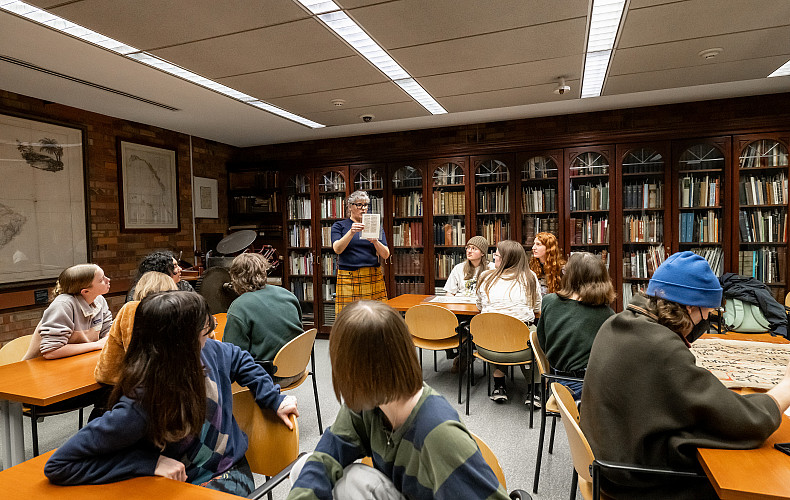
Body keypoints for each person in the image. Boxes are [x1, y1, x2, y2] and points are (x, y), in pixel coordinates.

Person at [45, 291, 299, 497]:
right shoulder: (143, 404)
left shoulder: (210, 351)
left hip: (228, 471)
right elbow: (59, 464)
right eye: (204, 332)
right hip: (177, 485)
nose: (211, 336)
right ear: (180, 345)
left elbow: (240, 358)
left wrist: (273, 398)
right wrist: (149, 464)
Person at [581, 251, 790, 499]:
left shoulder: (616, 324)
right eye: (708, 313)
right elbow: (745, 421)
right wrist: (785, 387)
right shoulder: (661, 348)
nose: (706, 321)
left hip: (608, 466)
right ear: (690, 307)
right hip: (637, 482)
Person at [287, 300, 508, 500]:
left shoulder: (438, 432)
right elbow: (327, 455)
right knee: (305, 468)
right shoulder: (366, 404)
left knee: (354, 481)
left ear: (358, 372)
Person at [535, 252, 614, 401]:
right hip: (583, 384)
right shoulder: (606, 314)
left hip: (556, 378)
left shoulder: (549, 301)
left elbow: (542, 342)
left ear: (571, 277)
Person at [223, 252, 304, 386]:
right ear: (264, 272)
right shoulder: (287, 294)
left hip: (271, 376)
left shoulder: (239, 306)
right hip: (299, 367)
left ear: (235, 278)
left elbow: (232, 354)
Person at [475, 240, 541, 403]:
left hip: (487, 347)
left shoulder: (484, 277)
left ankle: (499, 386)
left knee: (494, 330)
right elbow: (537, 306)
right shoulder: (530, 277)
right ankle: (534, 391)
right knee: (533, 334)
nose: (494, 258)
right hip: (521, 348)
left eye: (496, 255)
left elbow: (479, 305)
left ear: (505, 259)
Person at [94, 271, 177, 385]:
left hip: (144, 389)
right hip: (189, 388)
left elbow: (107, 372)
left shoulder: (130, 310)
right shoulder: (191, 308)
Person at [23, 264, 112, 360]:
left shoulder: (99, 300)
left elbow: (108, 331)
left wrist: (107, 338)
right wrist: (96, 345)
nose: (108, 280)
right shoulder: (63, 305)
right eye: (101, 280)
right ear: (85, 292)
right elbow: (51, 352)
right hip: (44, 368)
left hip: (79, 361)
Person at [331, 190, 389, 315]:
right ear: (350, 206)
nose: (363, 209)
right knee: (348, 317)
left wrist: (375, 242)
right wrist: (351, 232)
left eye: (366, 205)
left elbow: (385, 254)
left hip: (372, 274)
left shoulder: (374, 225)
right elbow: (337, 249)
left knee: (376, 316)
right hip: (348, 277)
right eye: (359, 205)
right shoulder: (339, 226)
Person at [444, 235, 494, 372]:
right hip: (461, 308)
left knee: (475, 327)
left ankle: (465, 355)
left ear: (483, 253)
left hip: (482, 310)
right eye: (467, 248)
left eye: (474, 248)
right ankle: (462, 353)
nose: (469, 251)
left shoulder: (492, 269)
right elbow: (449, 292)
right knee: (449, 322)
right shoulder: (459, 268)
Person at [125, 251, 194, 302]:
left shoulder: (184, 286)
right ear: (163, 271)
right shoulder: (140, 291)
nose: (180, 269)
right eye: (175, 266)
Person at [529, 232, 565, 296]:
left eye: (538, 244)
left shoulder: (561, 269)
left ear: (548, 248)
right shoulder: (531, 266)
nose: (533, 248)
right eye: (534, 244)